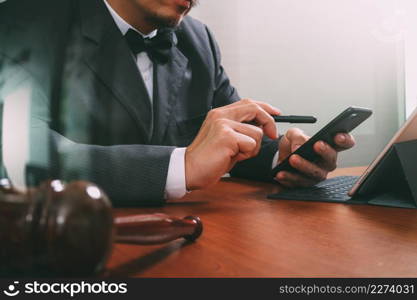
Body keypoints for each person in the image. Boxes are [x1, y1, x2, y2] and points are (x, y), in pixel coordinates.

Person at [0, 0, 354, 205]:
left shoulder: (197, 38)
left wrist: (284, 157)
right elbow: (20, 156)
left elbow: (229, 136)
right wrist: (182, 165)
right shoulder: (20, 21)